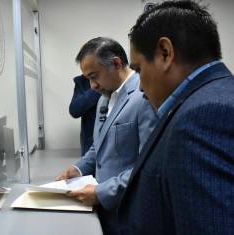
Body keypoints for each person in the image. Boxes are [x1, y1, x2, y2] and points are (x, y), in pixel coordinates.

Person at [118, 1, 234, 234]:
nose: (140, 87)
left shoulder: (201, 119)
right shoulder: (215, 96)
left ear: (165, 52)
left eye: (139, 69)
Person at [56, 37, 157, 235]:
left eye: (94, 76)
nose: (92, 86)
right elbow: (99, 145)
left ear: (116, 64)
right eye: (88, 79)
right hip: (105, 210)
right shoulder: (104, 97)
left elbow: (146, 166)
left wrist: (100, 193)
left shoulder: (144, 97)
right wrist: (78, 168)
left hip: (130, 212)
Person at [69, 74, 100, 155]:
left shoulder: (113, 79)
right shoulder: (82, 81)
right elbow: (74, 110)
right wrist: (94, 90)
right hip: (89, 143)